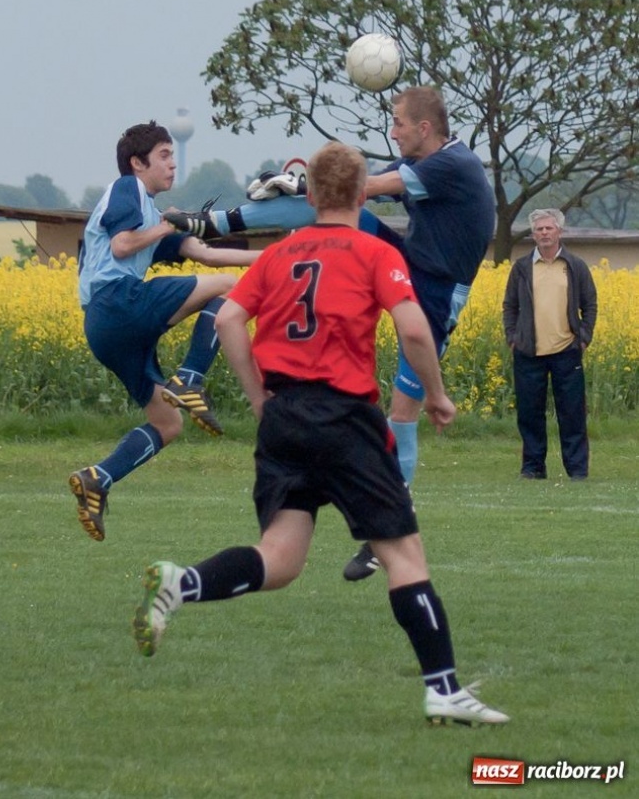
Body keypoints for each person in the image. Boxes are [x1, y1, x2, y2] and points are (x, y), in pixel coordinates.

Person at [133, 142, 509, 726]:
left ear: (309, 197)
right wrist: (436, 395)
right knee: (404, 554)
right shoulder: (372, 251)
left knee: (280, 559)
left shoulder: (279, 255)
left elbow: (229, 318)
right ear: (362, 195)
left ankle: (181, 584)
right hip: (345, 419)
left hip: (285, 419)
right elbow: (414, 330)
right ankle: (444, 690)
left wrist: (259, 398)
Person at [166, 87, 496, 580]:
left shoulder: (454, 164)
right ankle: (211, 222)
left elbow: (368, 186)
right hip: (411, 263)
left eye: (399, 123)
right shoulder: (427, 161)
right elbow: (349, 195)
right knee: (334, 209)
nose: (393, 131)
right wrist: (311, 188)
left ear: (425, 128)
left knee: (402, 413)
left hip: (438, 290)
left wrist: (308, 183)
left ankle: (385, 529)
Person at [69, 121, 260, 541]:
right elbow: (121, 245)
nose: (173, 164)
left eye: (173, 155)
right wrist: (169, 224)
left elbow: (207, 256)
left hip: (105, 329)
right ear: (137, 163)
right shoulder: (128, 188)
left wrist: (279, 255)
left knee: (168, 423)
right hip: (117, 302)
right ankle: (190, 377)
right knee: (230, 290)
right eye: (164, 155)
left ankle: (97, 478)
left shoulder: (152, 217)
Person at [502, 208, 597, 481]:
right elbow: (510, 305)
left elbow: (590, 304)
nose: (544, 233)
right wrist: (513, 337)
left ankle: (577, 470)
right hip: (529, 352)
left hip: (567, 351)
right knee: (529, 414)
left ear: (559, 232)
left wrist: (583, 337)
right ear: (533, 235)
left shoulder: (575, 266)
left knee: (572, 414)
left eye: (549, 228)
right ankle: (533, 467)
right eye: (539, 229)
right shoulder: (522, 268)